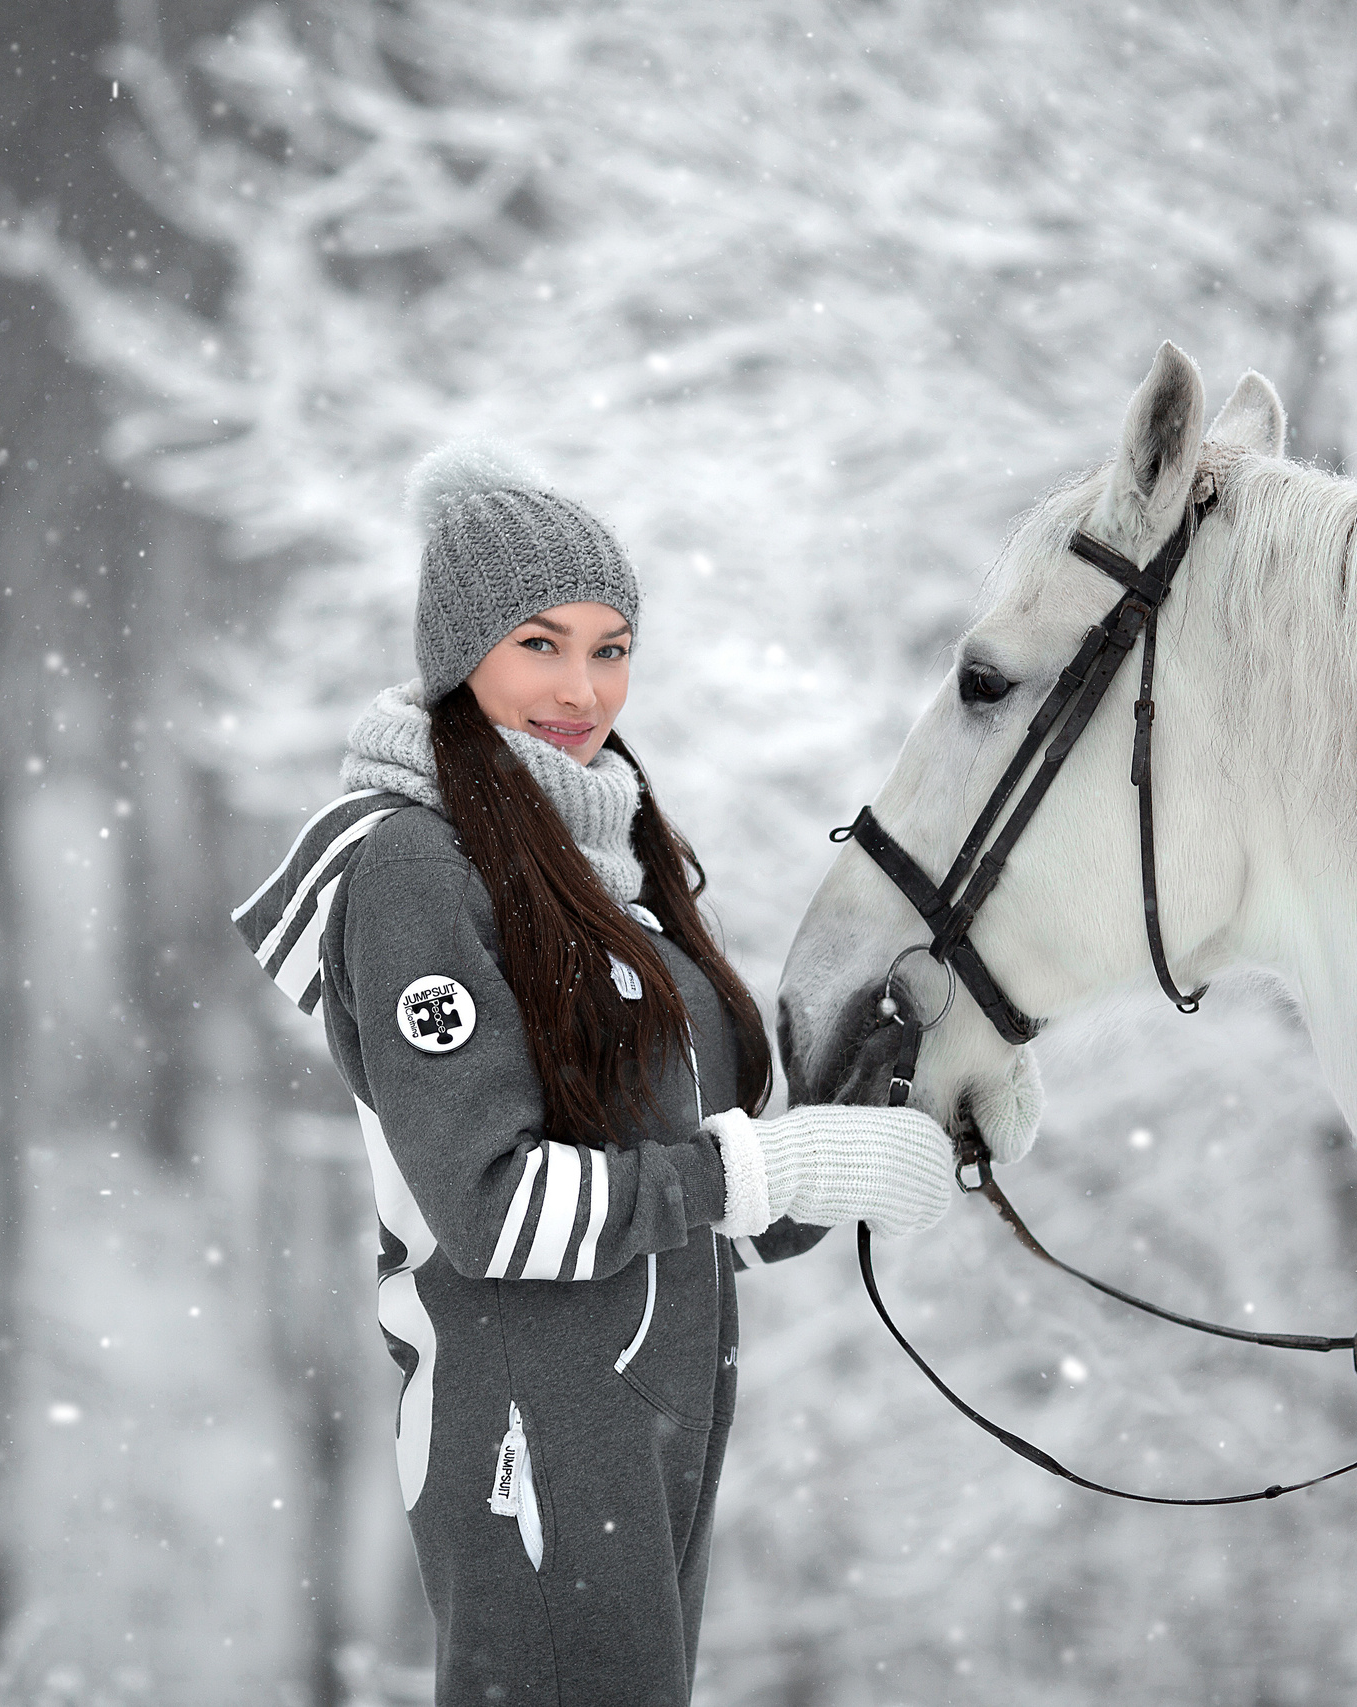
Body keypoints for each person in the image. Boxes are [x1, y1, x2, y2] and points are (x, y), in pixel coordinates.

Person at [233, 441, 1002, 1706]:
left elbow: (714, 1218)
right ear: (457, 654)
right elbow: (488, 1210)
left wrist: (890, 1113)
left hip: (653, 1416)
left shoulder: (607, 867)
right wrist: (755, 1167)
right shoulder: (420, 870)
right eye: (539, 644)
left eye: (611, 646)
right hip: (531, 1427)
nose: (581, 687)